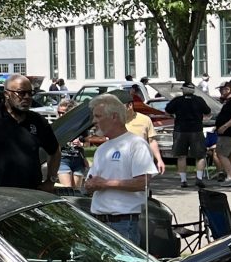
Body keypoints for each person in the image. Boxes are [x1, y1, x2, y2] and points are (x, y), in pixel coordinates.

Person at [84, 95, 157, 247]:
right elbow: (92, 181)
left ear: (114, 117)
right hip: (99, 222)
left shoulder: (136, 144)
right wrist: (90, 185)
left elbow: (143, 182)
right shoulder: (102, 148)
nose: (94, 121)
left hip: (123, 224)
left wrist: (105, 184)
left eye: (98, 116)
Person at [0, 77, 59, 190]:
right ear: (6, 94)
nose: (27, 97)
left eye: (30, 93)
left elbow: (54, 151)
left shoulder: (38, 121)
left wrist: (51, 180)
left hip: (31, 192)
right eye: (21, 93)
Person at [164, 82, 212, 187]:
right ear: (193, 90)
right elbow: (208, 112)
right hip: (196, 130)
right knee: (200, 156)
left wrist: (175, 116)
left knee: (181, 156)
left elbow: (167, 111)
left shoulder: (177, 100)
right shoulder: (199, 100)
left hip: (180, 131)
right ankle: (199, 178)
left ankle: (183, 181)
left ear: (183, 90)